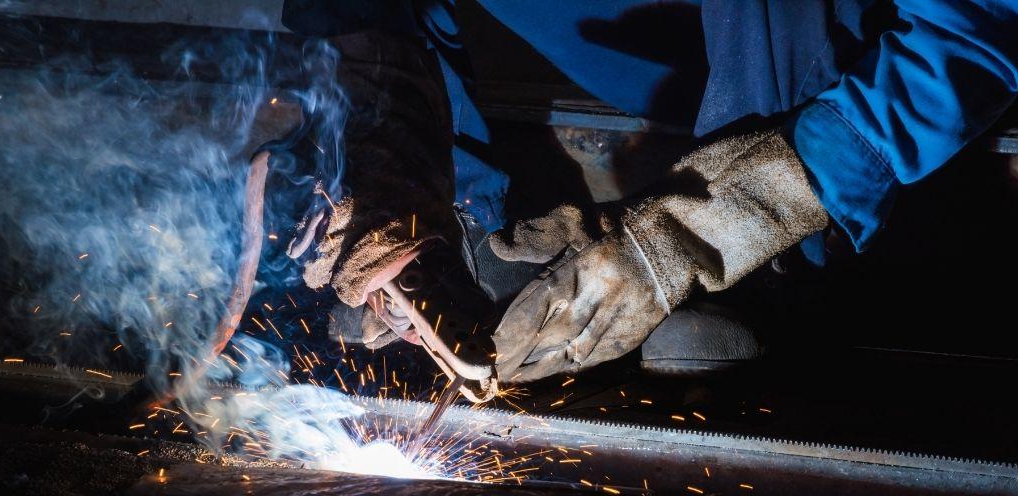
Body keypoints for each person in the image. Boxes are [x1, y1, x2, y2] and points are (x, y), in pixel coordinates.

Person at [265, 0, 1018, 384]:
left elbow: (974, 37)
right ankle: (471, 240)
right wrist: (377, 144)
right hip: (645, 32)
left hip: (805, 50)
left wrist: (717, 219)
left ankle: (764, 264)